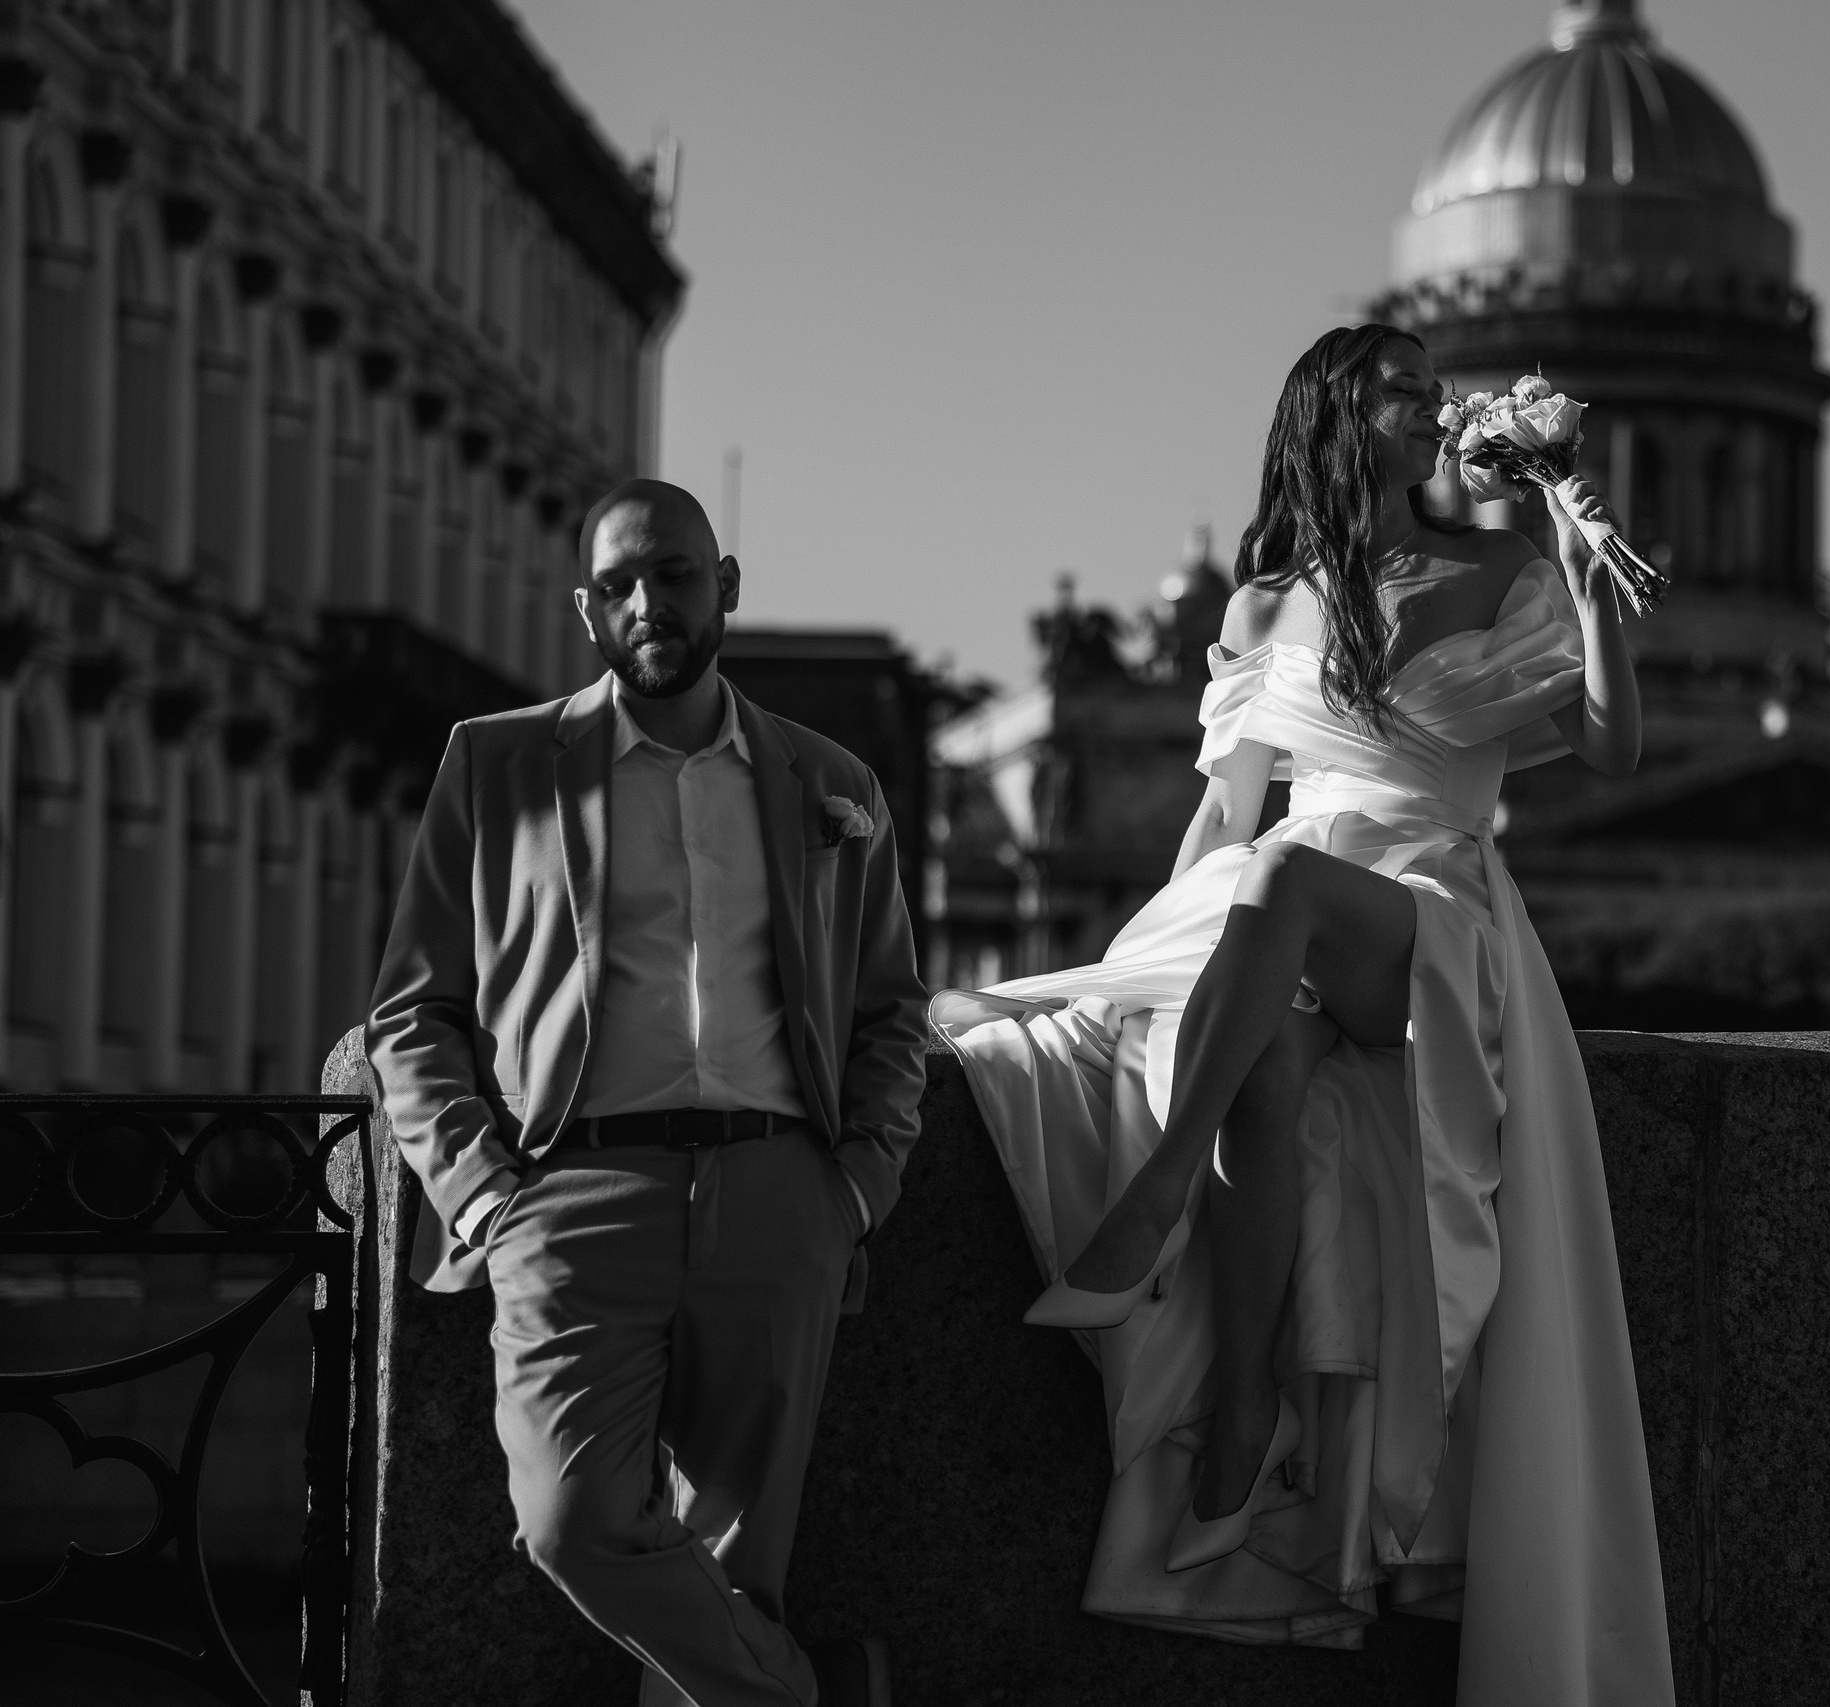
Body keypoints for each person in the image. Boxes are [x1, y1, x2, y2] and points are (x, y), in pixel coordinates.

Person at [932, 324, 1676, 1703]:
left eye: (1435, 399)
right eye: (1403, 396)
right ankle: (1242, 1407)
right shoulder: (1271, 599)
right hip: (1286, 919)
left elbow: (1615, 742)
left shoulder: (1508, 564)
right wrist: (1149, 960)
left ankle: (1152, 1198)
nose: (1434, 414)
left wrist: (1585, 581)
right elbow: (1223, 811)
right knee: (1258, 1048)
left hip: (1432, 921)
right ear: (1334, 420)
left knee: (1280, 872)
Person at [368, 479, 928, 1707]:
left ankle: (777, 1682)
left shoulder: (830, 780)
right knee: (565, 1519)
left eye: (673, 575)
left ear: (724, 586)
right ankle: (814, 1695)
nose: (647, 603)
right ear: (585, 608)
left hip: (782, 1193)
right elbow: (412, 1011)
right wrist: (479, 1197)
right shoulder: (501, 762)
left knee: (739, 1562)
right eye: (618, 583)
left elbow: (892, 1010)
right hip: (573, 1193)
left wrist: (857, 1189)